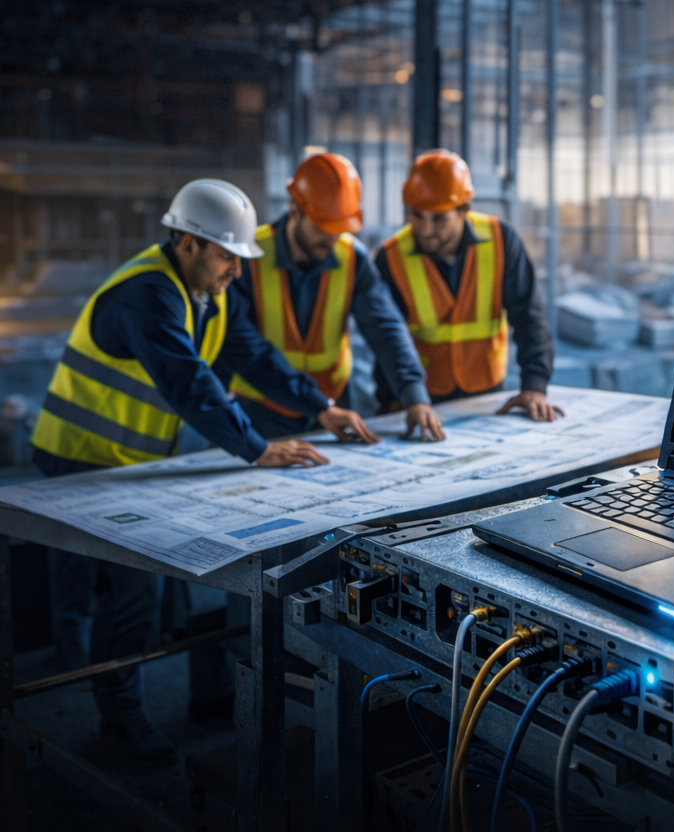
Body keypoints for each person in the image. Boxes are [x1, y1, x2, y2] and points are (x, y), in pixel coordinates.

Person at [32, 178, 376, 763]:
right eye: (225, 256)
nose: (236, 272)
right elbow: (189, 382)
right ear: (186, 242)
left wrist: (319, 406)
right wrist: (256, 447)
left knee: (139, 596)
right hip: (81, 459)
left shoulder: (206, 294)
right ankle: (117, 721)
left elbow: (252, 354)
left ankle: (116, 687)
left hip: (130, 463)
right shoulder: (147, 294)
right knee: (130, 597)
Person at [229, 152, 443, 441]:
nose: (332, 238)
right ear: (294, 209)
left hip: (336, 405)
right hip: (263, 408)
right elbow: (244, 348)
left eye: (339, 228)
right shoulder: (249, 257)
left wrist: (415, 396)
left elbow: (386, 328)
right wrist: (316, 405)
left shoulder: (353, 258)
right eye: (322, 227)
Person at [375, 152, 562, 421]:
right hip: (421, 399)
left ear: (464, 209)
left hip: (487, 393)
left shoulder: (500, 240)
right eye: (417, 216)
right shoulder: (391, 257)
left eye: (438, 219)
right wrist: (391, 400)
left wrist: (534, 385)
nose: (426, 230)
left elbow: (529, 316)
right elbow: (386, 338)